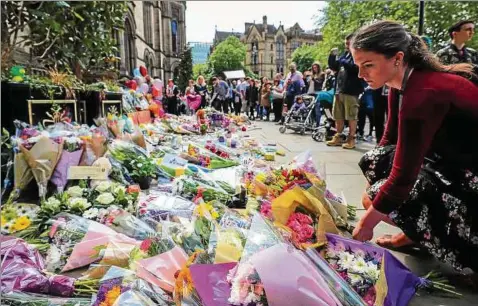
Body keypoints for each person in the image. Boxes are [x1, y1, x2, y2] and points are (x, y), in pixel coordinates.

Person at [350, 20, 478, 272]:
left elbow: (403, 177)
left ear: (397, 58)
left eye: (368, 65)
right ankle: (415, 235)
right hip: (449, 162)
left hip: (469, 177)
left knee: (385, 197)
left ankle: (464, 248)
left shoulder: (423, 93)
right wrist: (373, 188)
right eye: (358, 66)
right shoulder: (401, 82)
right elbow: (389, 141)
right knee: (375, 169)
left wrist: (367, 223)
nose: (361, 75)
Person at [327, 33, 364, 149]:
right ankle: (338, 136)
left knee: (351, 116)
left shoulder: (358, 54)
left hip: (351, 90)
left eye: (348, 43)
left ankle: (351, 138)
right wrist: (332, 56)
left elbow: (355, 68)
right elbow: (334, 67)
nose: (346, 45)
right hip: (339, 90)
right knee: (338, 115)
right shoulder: (346, 55)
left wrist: (343, 61)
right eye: (346, 43)